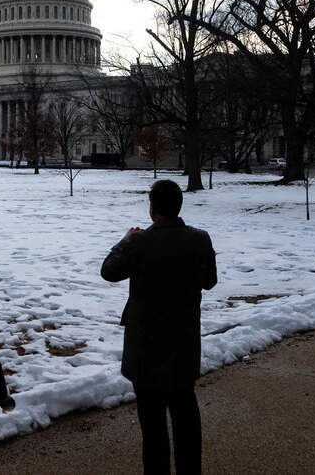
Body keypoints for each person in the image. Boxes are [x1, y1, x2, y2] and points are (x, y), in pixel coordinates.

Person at [102, 179, 218, 475]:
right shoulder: (200, 239)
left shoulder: (141, 241)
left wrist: (126, 239)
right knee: (186, 416)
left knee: (153, 426)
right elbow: (210, 280)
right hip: (183, 344)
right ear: (179, 206)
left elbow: (109, 271)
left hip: (146, 349)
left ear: (153, 209)